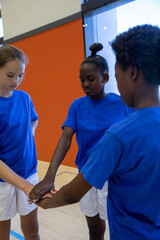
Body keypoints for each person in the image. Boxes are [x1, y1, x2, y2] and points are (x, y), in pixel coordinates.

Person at [29, 24, 160, 240]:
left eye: (117, 78)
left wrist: (44, 202)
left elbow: (72, 193)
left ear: (131, 73)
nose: (86, 84)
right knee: (96, 227)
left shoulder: (118, 135)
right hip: (93, 179)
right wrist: (49, 177)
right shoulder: (79, 106)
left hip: (125, 222)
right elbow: (66, 138)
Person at [0, 44, 40, 240]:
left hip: (28, 173)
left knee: (32, 230)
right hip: (1, 183)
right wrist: (24, 186)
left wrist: (26, 139)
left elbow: (34, 119)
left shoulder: (24, 98)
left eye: (21, 75)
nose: (17, 81)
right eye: (10, 75)